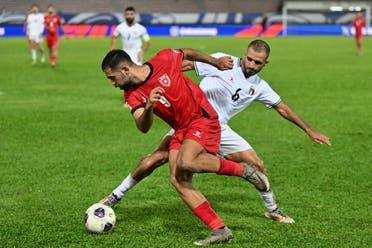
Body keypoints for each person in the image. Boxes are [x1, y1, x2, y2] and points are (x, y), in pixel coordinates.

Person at [100, 40, 331, 227]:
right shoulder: (225, 62)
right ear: (245, 53)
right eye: (249, 58)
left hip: (218, 127)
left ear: (265, 64)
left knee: (257, 164)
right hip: (189, 119)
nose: (251, 64)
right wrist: (147, 85)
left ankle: (272, 209)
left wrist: (309, 130)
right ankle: (114, 196)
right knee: (156, 159)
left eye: (257, 62)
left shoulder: (260, 86)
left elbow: (282, 108)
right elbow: (185, 64)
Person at [101, 48, 271, 246]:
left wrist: (214, 62)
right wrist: (149, 107)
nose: (113, 83)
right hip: (181, 129)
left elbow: (188, 52)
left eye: (112, 78)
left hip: (202, 118)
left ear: (125, 69)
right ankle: (220, 230)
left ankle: (243, 170)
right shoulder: (131, 95)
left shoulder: (163, 59)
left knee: (186, 161)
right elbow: (143, 127)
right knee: (177, 179)